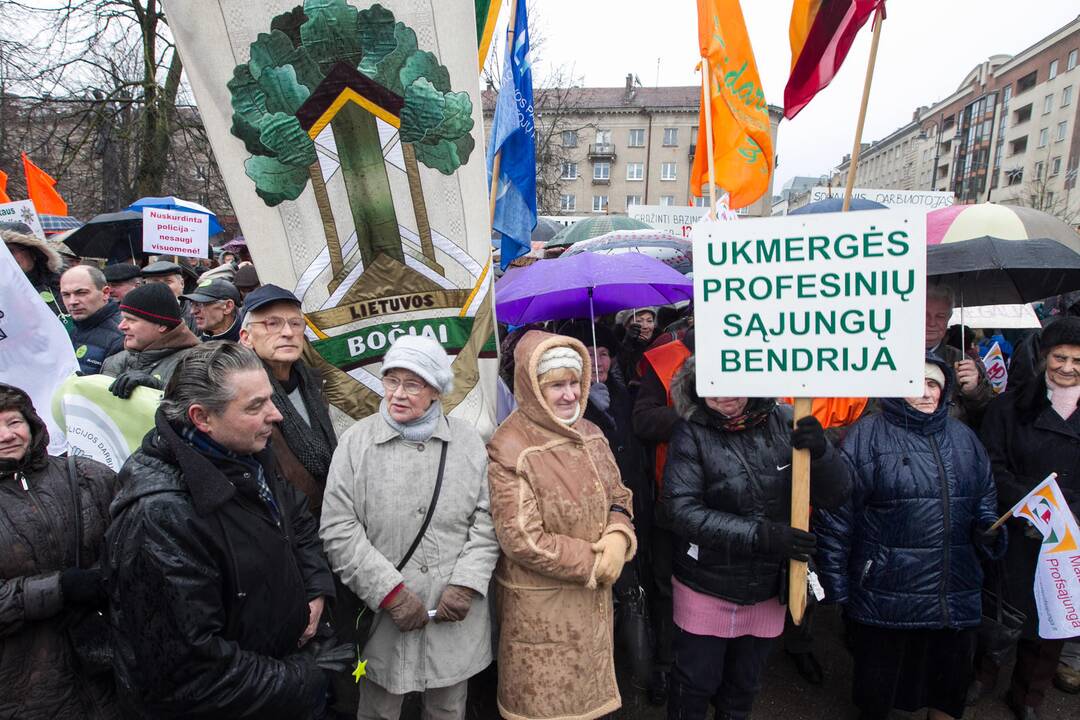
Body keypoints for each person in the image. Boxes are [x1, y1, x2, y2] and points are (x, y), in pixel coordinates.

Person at [105, 342, 341, 719]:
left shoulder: (247, 453)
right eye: (255, 406)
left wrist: (316, 585)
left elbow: (295, 518)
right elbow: (191, 673)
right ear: (202, 418)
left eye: (270, 398)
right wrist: (307, 676)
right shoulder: (158, 518)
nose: (276, 415)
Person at [661, 356, 851, 720]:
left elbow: (837, 495)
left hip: (767, 585)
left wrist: (824, 455)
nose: (726, 395)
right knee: (695, 682)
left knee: (743, 687)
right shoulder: (691, 432)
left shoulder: (786, 420)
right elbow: (680, 510)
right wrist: (761, 536)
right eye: (714, 384)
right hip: (707, 582)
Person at [321, 335, 499, 720]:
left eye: (413, 384)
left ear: (436, 390)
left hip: (452, 614)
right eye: (391, 381)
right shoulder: (356, 443)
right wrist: (390, 594)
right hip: (383, 618)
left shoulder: (467, 443)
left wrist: (466, 583)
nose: (398, 394)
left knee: (448, 708)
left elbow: (487, 520)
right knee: (379, 709)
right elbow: (338, 528)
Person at [816, 359, 1004, 720]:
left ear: (944, 390)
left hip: (953, 589)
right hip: (887, 592)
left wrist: (988, 528)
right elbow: (837, 515)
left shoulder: (964, 438)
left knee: (949, 686)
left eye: (932, 384)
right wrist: (836, 585)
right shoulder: (866, 435)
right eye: (913, 382)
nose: (924, 391)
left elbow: (985, 498)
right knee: (879, 689)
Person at [487, 330, 637, 720]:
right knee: (548, 705)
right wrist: (594, 562)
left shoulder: (591, 432)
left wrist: (619, 533)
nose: (570, 394)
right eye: (557, 385)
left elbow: (619, 494)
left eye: (575, 382)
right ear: (532, 387)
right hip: (543, 611)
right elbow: (521, 538)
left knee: (589, 700)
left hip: (592, 608)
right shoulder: (511, 446)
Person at [975, 316, 1080, 720]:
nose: (1067, 368)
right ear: (1044, 358)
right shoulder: (1010, 407)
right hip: (1017, 527)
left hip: (1068, 535)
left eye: (1076, 359)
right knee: (999, 607)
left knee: (1053, 616)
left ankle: (1028, 695)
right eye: (1059, 357)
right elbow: (992, 464)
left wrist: (1065, 509)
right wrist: (1032, 504)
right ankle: (982, 674)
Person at [0, 383, 120, 719]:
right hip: (28, 689)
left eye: (13, 422)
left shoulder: (87, 475)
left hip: (112, 670)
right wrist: (59, 589)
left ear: (32, 424)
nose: (7, 435)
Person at [632, 327, 694, 704]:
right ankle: (666, 664)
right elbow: (643, 421)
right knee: (666, 585)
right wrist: (694, 415)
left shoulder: (750, 355)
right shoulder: (666, 358)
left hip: (727, 500)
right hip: (671, 497)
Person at [239, 285, 336, 519]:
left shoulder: (313, 382)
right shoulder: (239, 398)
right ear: (246, 337)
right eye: (272, 323)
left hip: (330, 517)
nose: (288, 332)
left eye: (295, 323)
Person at [100, 283, 199, 398]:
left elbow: (196, 409)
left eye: (131, 320)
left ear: (162, 325)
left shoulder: (196, 363)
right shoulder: (115, 360)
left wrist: (159, 389)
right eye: (123, 318)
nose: (121, 326)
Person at [925, 282, 992, 426]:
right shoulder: (889, 356)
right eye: (924, 314)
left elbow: (987, 415)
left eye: (940, 316)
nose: (931, 323)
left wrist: (974, 391)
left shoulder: (962, 360)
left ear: (948, 319)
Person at [60, 265, 124, 375]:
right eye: (66, 294)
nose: (72, 301)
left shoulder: (122, 334)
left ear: (105, 293)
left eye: (81, 293)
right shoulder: (67, 330)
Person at [3, 228, 66, 316]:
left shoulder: (63, 284)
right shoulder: (3, 296)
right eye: (2, 253)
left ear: (33, 253)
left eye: (10, 251)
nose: (7, 258)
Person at [141, 260, 197, 331]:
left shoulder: (195, 312)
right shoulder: (136, 313)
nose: (162, 287)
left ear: (182, 284)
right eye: (155, 282)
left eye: (168, 282)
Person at [182, 278, 242, 342]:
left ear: (228, 307)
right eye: (192, 304)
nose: (192, 311)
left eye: (200, 304)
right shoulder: (193, 347)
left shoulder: (251, 344)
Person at [615, 307, 658, 386]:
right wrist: (628, 343)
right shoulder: (619, 348)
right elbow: (619, 369)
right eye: (638, 321)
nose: (645, 326)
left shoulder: (660, 344)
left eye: (649, 321)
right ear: (627, 326)